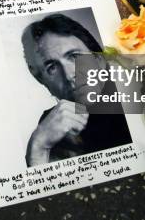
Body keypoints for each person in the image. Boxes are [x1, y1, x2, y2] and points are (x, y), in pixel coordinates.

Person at [22, 14, 132, 167]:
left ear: (99, 60)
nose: (68, 75)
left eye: (74, 56)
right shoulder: (50, 124)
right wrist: (38, 147)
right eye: (52, 67)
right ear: (43, 81)